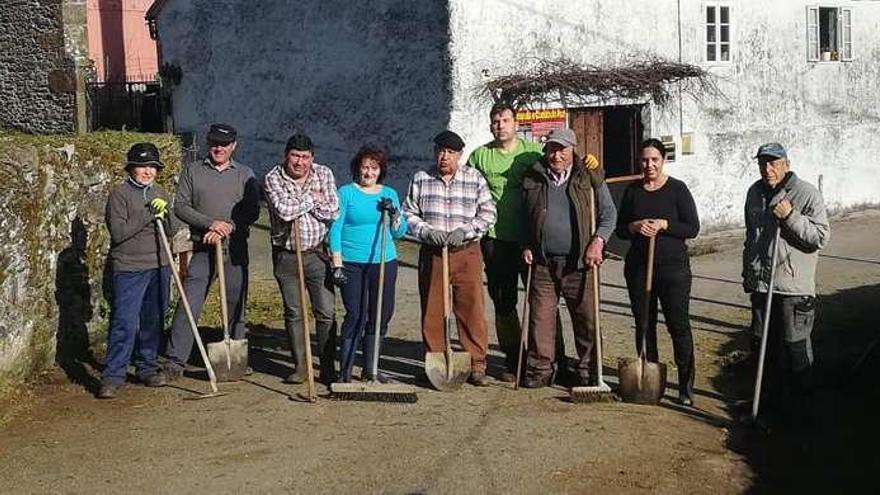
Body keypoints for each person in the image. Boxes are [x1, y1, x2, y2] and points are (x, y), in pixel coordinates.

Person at [520, 128, 616, 389]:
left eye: (562, 149)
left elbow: (608, 214)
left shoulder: (589, 176)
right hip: (542, 262)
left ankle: (587, 370)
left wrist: (598, 242)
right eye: (552, 148)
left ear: (573, 149)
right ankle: (540, 370)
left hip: (580, 263)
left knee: (586, 319)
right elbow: (524, 216)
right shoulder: (533, 177)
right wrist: (527, 244)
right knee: (540, 320)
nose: (557, 154)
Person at [163, 124, 260, 380]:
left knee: (235, 303)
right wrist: (210, 224)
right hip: (202, 248)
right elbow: (181, 206)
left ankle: (236, 359)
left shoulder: (244, 174)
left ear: (233, 146)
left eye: (224, 144)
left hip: (235, 249)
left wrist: (226, 227)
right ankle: (175, 361)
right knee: (189, 302)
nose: (218, 148)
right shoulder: (193, 171)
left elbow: (252, 211)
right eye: (214, 143)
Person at [402, 130, 497, 386]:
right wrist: (426, 231)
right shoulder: (422, 178)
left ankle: (477, 363)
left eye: (450, 153)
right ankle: (436, 359)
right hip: (434, 254)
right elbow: (408, 213)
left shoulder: (474, 178)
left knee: (471, 308)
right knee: (434, 310)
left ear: (459, 155)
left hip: (466, 253)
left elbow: (489, 213)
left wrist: (464, 231)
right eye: (440, 151)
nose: (444, 157)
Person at [742, 142, 829, 416]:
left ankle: (803, 409)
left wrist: (790, 216)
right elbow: (751, 238)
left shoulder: (806, 194)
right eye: (763, 163)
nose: (768, 169)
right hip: (761, 285)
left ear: (786, 164)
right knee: (762, 349)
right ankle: (767, 405)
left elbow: (819, 237)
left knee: (795, 349)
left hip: (793, 287)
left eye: (774, 163)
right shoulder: (755, 193)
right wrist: (749, 272)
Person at [616, 139, 700, 405]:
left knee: (678, 326)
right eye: (644, 160)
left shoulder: (677, 190)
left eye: (654, 160)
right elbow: (620, 229)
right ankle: (650, 381)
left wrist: (665, 224)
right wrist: (635, 226)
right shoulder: (632, 191)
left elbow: (692, 228)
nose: (649, 165)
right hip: (639, 268)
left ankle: (686, 387)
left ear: (663, 160)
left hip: (673, 269)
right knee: (644, 324)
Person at [99, 143, 176, 398]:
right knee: (125, 321)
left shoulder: (161, 193)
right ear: (132, 168)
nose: (148, 172)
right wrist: (147, 214)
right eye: (143, 166)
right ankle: (112, 375)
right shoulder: (119, 195)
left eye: (152, 167)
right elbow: (119, 234)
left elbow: (172, 230)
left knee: (153, 319)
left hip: (159, 264)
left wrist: (165, 215)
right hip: (130, 268)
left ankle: (147, 367)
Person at [264, 133, 340, 385]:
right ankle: (301, 367)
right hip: (287, 255)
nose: (300, 162)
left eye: (305, 157)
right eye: (295, 156)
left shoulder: (324, 173)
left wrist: (301, 203)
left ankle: (328, 367)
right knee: (294, 312)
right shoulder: (273, 177)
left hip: (318, 254)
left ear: (312, 158)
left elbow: (333, 210)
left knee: (326, 311)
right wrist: (312, 199)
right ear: (287, 155)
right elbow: (284, 212)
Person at [328, 145, 408, 383]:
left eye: (374, 168)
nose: (368, 172)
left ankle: (371, 368)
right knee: (356, 314)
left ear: (380, 171)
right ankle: (345, 371)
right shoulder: (346, 193)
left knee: (381, 314)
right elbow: (335, 229)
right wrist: (337, 263)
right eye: (365, 167)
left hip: (383, 262)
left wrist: (394, 214)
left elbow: (400, 232)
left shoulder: (389, 194)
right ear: (357, 168)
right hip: (352, 263)